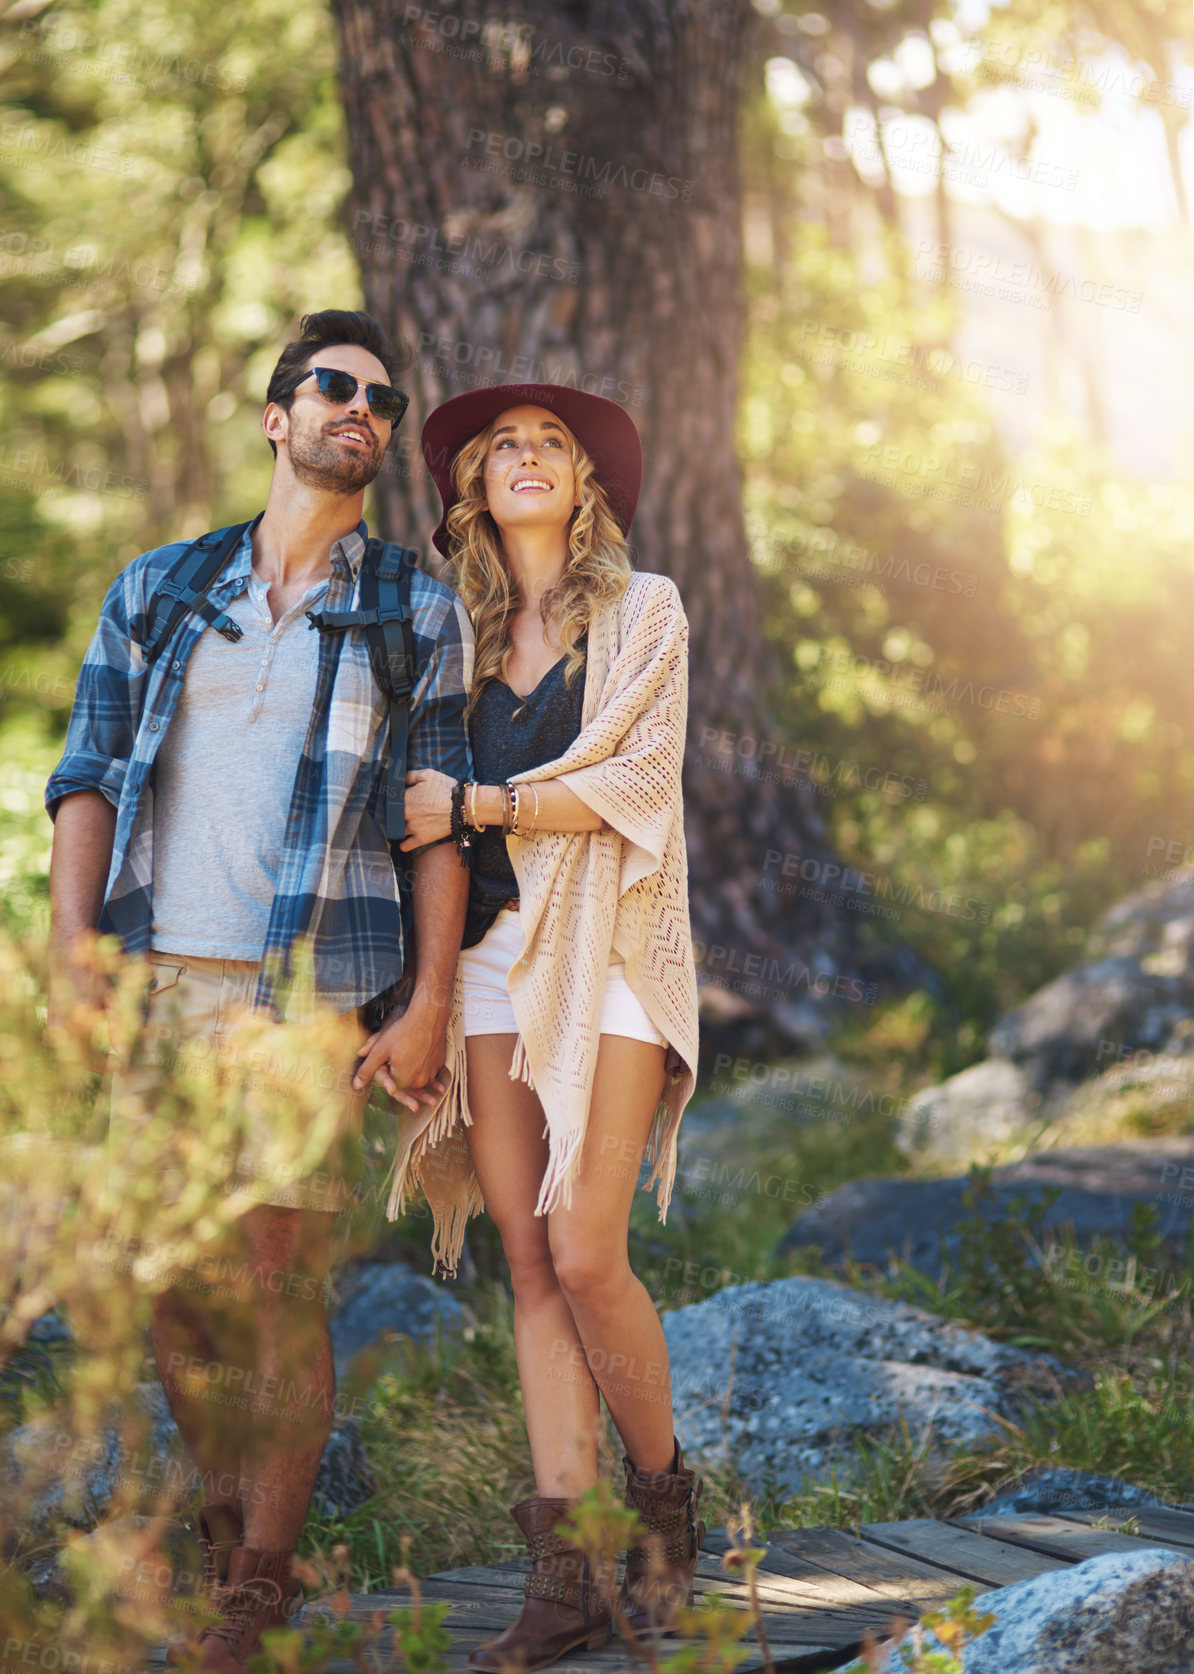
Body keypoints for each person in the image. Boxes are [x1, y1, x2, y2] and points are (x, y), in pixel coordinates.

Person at [44, 310, 473, 1672]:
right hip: (156, 982)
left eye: (384, 400)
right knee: (173, 1278)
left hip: (304, 994)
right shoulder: (159, 588)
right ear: (275, 416)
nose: (365, 409)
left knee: (281, 1283)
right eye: (336, 387)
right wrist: (70, 950)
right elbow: (89, 775)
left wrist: (427, 1005)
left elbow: (436, 829)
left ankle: (259, 1586)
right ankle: (229, 1519)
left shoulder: (412, 606)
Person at [395, 383, 703, 1670]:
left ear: (586, 486)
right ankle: (563, 1571)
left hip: (615, 952)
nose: (526, 458)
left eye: (551, 445)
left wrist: (479, 803)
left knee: (585, 1252)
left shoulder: (646, 612)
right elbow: (408, 815)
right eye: (501, 445)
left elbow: (635, 786)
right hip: (486, 968)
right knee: (525, 1266)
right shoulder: (444, 636)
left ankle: (666, 1508)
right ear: (474, 486)